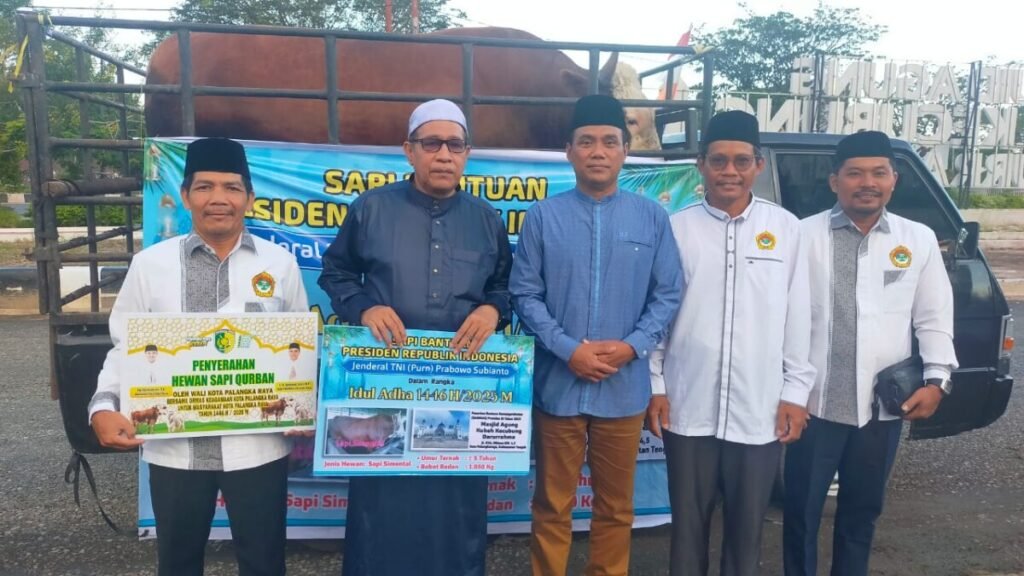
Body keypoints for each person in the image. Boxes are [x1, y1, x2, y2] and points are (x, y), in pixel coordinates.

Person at [88, 137, 309, 576]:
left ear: (249, 198)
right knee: (178, 563)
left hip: (257, 449)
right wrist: (102, 406)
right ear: (186, 195)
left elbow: (296, 350)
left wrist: (302, 404)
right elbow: (124, 346)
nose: (218, 199)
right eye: (205, 187)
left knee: (265, 562)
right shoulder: (150, 265)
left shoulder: (279, 264)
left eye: (231, 187)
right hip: (175, 451)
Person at [318, 98, 513, 576]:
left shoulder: (486, 219)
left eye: (455, 145)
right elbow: (336, 274)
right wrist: (365, 307)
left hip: (463, 388)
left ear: (467, 153)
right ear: (409, 151)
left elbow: (508, 286)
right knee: (382, 500)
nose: (444, 154)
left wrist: (493, 309)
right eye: (432, 143)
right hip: (385, 382)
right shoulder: (371, 209)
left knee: (458, 505)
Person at [510, 94, 682, 576]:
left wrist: (632, 346)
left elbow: (668, 293)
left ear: (626, 150)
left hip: (623, 391)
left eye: (609, 141)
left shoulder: (651, 217)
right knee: (552, 504)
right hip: (559, 388)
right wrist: (568, 350)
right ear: (569, 151)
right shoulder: (544, 216)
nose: (598, 151)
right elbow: (524, 294)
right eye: (586, 141)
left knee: (615, 508)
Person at [648, 110, 816, 576]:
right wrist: (656, 385)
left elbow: (799, 317)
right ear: (700, 164)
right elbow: (658, 315)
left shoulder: (786, 229)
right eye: (718, 160)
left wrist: (796, 393)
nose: (730, 171)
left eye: (742, 161)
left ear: (758, 165)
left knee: (746, 532)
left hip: (759, 408)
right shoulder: (676, 229)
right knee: (687, 529)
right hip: (688, 403)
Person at [783, 130, 958, 576]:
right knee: (800, 513)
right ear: (834, 181)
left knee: (861, 516)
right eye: (855, 173)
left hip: (880, 409)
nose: (867, 183)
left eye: (879, 173)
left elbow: (933, 317)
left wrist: (937, 381)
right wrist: (787, 393)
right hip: (814, 405)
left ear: (894, 180)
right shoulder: (801, 236)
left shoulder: (916, 239)